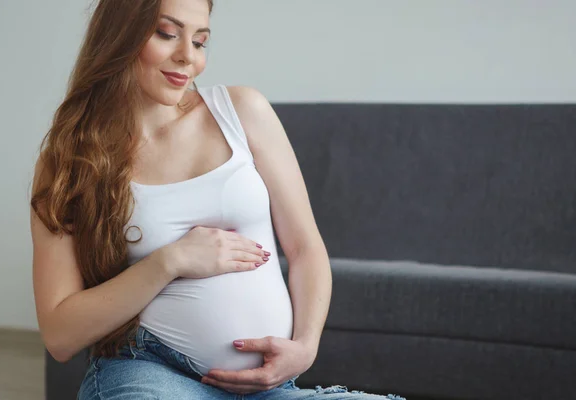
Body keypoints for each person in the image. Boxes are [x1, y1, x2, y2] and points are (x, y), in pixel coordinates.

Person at [29, 0, 407, 399]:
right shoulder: (70, 161)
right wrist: (170, 261)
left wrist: (305, 347)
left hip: (271, 388)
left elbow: (305, 248)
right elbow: (60, 335)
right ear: (118, 34)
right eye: (166, 34)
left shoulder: (242, 111)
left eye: (200, 41)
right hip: (150, 372)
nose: (187, 57)